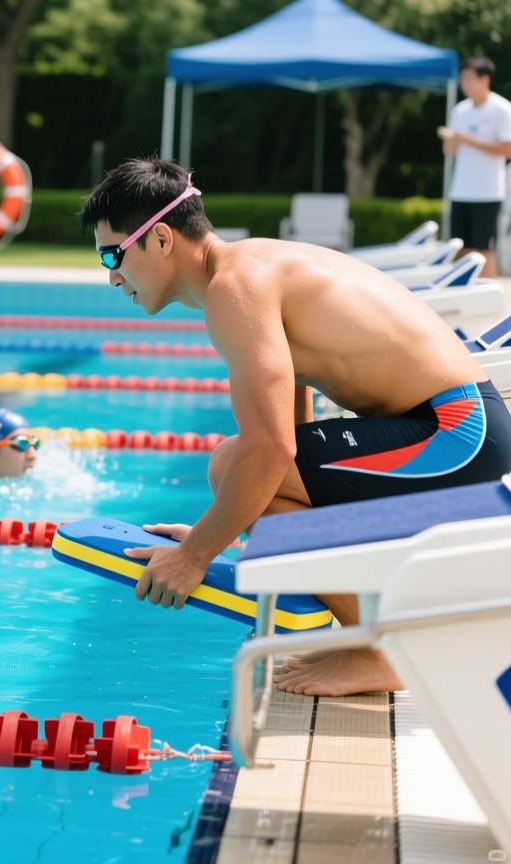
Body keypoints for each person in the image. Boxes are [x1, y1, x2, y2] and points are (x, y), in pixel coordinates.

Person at [79, 157, 511, 697]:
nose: (112, 276)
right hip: (465, 430)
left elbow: (271, 449)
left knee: (233, 464)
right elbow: (292, 426)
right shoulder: (252, 265)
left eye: (112, 254)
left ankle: (383, 647)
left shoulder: (234, 289)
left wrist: (195, 555)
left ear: (162, 239)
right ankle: (374, 631)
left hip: (457, 437)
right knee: (245, 476)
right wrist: (226, 526)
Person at [438, 56, 511, 278]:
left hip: (488, 192)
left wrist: (468, 140)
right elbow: (449, 152)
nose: (465, 84)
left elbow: (508, 149)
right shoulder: (459, 110)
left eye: (469, 79)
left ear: (485, 79)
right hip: (460, 190)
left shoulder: (502, 109)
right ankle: (465, 292)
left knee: (484, 248)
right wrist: (450, 140)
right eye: (463, 79)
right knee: (462, 247)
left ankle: (488, 291)